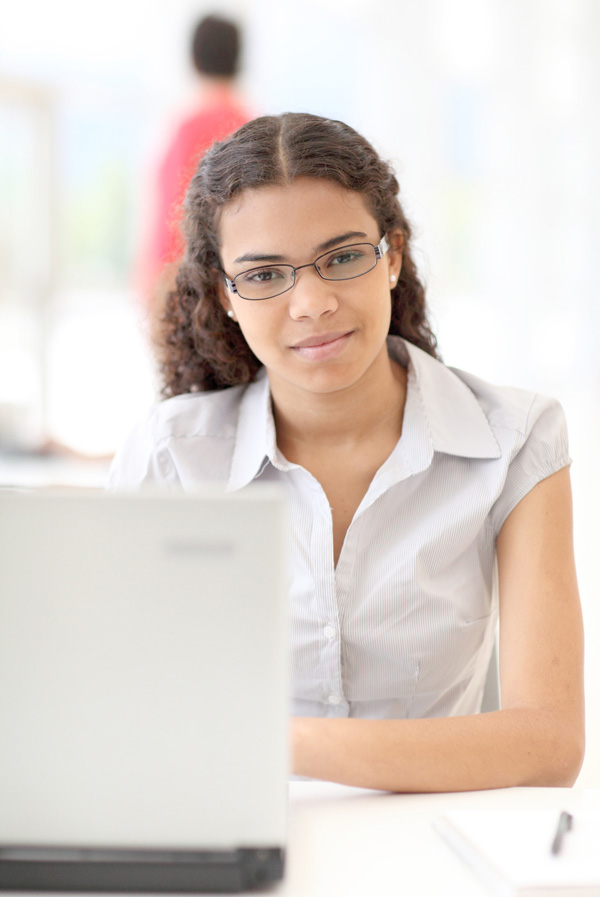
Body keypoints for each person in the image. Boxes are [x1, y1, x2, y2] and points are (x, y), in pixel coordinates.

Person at [109, 112, 585, 792]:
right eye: (266, 274)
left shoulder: (515, 439)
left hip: (437, 850)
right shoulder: (169, 456)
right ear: (227, 295)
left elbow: (549, 742)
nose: (312, 302)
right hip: (229, 844)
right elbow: (113, 708)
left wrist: (277, 742)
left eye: (342, 257)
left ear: (391, 256)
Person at [138, 14, 252, 316]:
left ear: (193, 58)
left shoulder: (188, 128)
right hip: (245, 288)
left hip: (189, 290)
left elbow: (171, 217)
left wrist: (151, 288)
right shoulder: (256, 128)